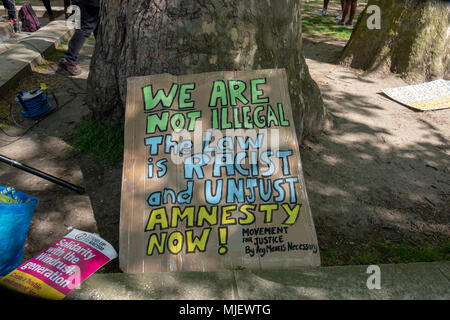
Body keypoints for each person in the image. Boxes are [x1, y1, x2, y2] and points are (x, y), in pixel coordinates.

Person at [58, 0, 99, 76]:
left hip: (88, 3)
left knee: (97, 29)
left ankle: (102, 56)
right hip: (91, 3)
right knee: (85, 29)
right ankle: (69, 60)